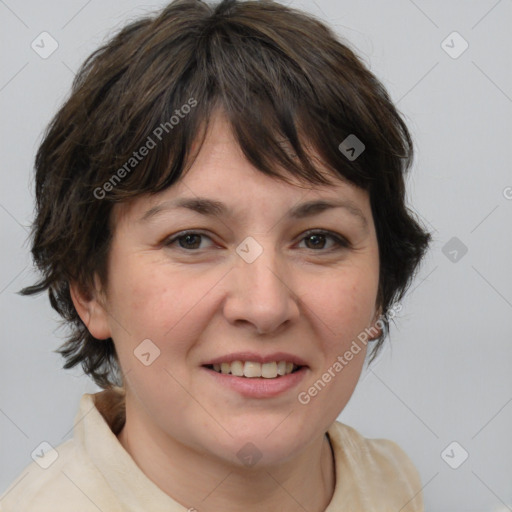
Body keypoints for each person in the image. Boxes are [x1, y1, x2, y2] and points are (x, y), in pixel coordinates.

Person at [0, 0, 431, 510]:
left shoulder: (392, 485)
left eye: (318, 239)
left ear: (383, 285)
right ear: (90, 288)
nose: (265, 306)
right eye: (191, 240)